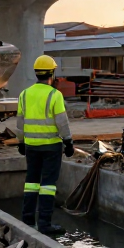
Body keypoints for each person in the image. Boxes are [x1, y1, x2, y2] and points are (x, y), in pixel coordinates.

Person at [16, 55, 73, 235]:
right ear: (52, 73)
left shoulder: (24, 94)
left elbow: (20, 122)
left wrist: (21, 141)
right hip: (51, 147)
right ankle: (45, 224)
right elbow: (62, 122)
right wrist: (68, 141)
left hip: (31, 146)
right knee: (48, 185)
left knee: (31, 183)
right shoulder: (55, 95)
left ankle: (27, 219)